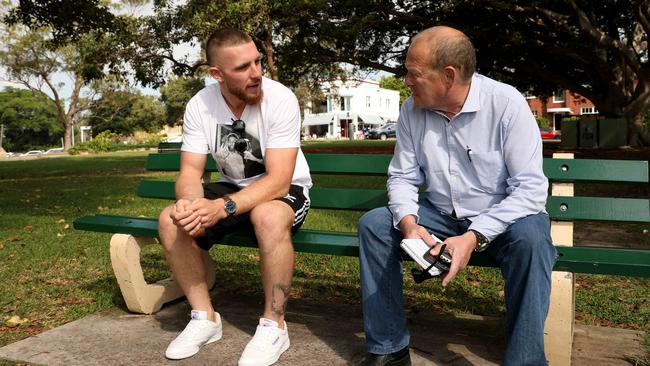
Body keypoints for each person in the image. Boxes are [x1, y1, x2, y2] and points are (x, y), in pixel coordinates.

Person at [357, 26, 556, 366]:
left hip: (505, 217)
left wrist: (474, 236)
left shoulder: (506, 105)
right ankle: (389, 348)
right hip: (441, 214)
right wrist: (408, 223)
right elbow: (403, 176)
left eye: (413, 73)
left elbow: (530, 190)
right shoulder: (412, 110)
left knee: (533, 241)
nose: (405, 81)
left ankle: (525, 360)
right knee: (374, 225)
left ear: (448, 76)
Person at [158, 28, 312, 366]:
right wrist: (187, 203)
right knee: (170, 221)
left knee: (268, 217)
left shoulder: (281, 98)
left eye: (257, 62)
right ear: (217, 74)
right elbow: (189, 172)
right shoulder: (201, 105)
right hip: (232, 188)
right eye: (243, 67)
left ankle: (275, 325)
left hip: (283, 191)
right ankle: (204, 318)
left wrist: (222, 207)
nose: (256, 73)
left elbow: (279, 181)